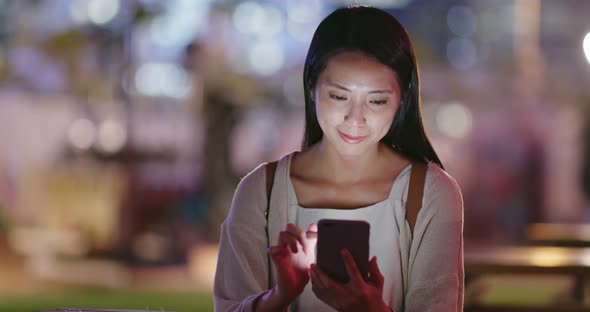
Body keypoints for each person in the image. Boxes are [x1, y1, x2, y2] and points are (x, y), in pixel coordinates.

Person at [214, 6, 463, 312]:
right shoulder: (260, 192)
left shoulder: (431, 193)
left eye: (376, 100)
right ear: (311, 88)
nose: (355, 118)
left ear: (403, 98)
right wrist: (279, 295)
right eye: (339, 96)